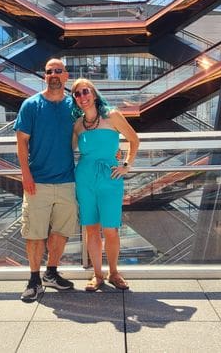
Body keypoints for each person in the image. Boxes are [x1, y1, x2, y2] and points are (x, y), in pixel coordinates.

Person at [14, 59, 77, 302]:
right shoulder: (31, 105)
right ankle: (33, 279)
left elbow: (94, 127)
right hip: (37, 181)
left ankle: (51, 273)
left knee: (61, 232)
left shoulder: (74, 105)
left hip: (67, 181)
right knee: (34, 234)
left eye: (58, 71)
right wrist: (25, 175)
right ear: (45, 76)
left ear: (66, 76)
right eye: (49, 71)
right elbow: (21, 143)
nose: (53, 75)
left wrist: (113, 149)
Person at [71, 78, 139, 292]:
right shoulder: (78, 125)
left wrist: (126, 164)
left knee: (111, 229)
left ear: (93, 93)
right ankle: (97, 275)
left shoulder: (112, 116)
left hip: (110, 179)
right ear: (75, 99)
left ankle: (114, 272)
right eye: (77, 94)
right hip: (85, 179)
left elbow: (134, 139)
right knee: (91, 229)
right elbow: (66, 149)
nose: (83, 97)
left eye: (85, 91)